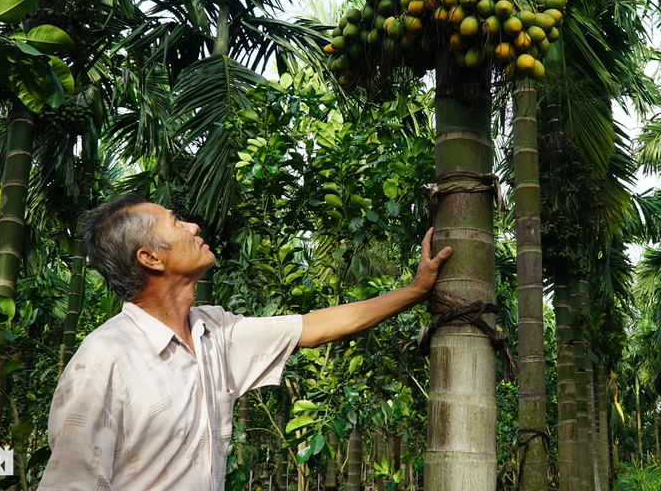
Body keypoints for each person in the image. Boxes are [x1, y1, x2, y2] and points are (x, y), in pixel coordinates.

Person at [38, 193, 451, 490]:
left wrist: (416, 290)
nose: (193, 226)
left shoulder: (215, 332)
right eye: (176, 222)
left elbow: (315, 327)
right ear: (151, 257)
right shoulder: (103, 357)